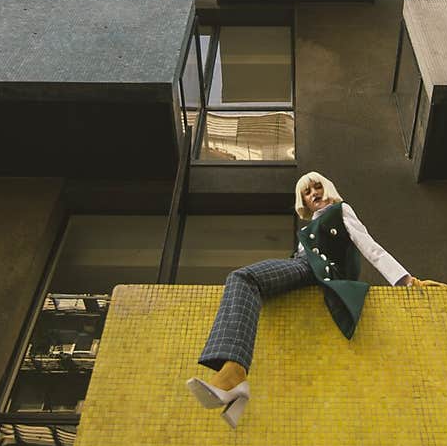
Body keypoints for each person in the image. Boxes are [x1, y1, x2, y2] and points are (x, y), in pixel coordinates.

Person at [186, 170, 434, 429]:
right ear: (302, 201)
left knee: (243, 278)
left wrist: (406, 280)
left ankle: (235, 374)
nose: (314, 193)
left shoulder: (340, 211)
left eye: (317, 187)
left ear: (327, 188)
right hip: (302, 267)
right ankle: (236, 390)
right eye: (307, 191)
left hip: (313, 270)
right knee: (247, 283)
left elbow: (370, 247)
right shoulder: (310, 225)